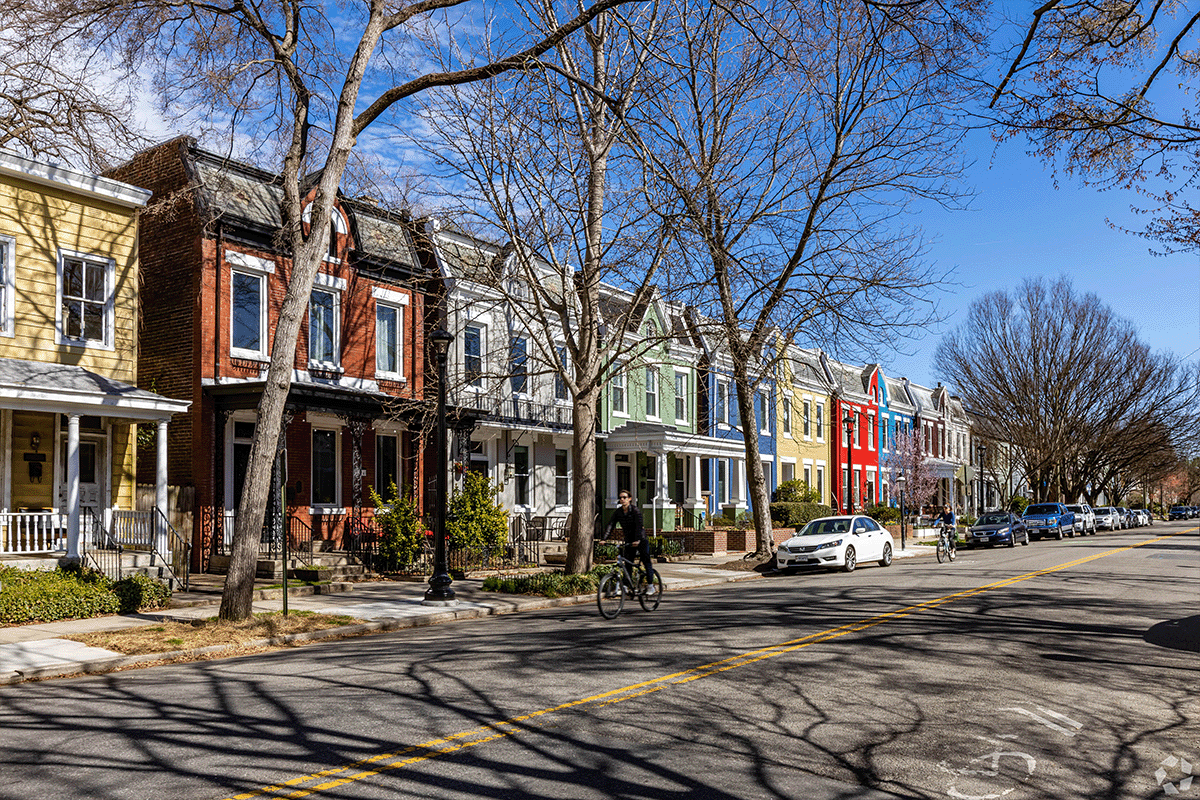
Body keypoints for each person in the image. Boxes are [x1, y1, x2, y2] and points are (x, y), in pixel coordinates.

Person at [605, 490, 657, 593]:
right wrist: (604, 539)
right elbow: (611, 525)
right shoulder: (618, 512)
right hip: (629, 540)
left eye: (624, 497)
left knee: (646, 562)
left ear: (629, 499)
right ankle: (625, 586)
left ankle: (651, 585)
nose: (622, 499)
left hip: (640, 539)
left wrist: (637, 539)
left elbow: (639, 525)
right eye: (620, 498)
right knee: (627, 563)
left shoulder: (635, 510)